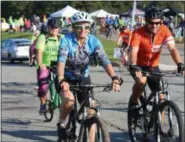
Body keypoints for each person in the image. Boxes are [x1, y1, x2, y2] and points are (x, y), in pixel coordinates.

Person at [57, 11, 122, 141]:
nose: (83, 30)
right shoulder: (66, 41)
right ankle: (62, 122)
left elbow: (104, 60)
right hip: (66, 78)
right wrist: (61, 79)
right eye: (79, 27)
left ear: (90, 27)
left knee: (91, 111)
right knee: (69, 101)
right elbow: (61, 61)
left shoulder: (93, 41)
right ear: (73, 27)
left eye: (86, 27)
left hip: (83, 78)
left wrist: (114, 77)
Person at [129, 7, 184, 110]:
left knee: (161, 98)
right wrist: (134, 65)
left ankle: (159, 123)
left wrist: (179, 63)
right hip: (138, 65)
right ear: (146, 21)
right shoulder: (138, 33)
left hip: (153, 66)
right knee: (141, 82)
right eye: (151, 22)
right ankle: (134, 101)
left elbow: (172, 49)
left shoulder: (164, 30)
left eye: (157, 22)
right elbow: (134, 51)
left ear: (161, 21)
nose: (154, 25)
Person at [35, 18, 64, 114]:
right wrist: (40, 64)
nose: (55, 29)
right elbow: (39, 52)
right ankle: (43, 104)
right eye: (53, 27)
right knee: (43, 86)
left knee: (63, 85)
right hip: (45, 65)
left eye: (57, 28)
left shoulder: (62, 38)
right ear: (49, 28)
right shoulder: (43, 37)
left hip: (58, 65)